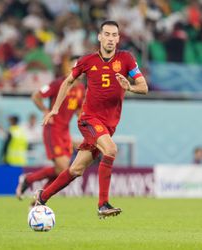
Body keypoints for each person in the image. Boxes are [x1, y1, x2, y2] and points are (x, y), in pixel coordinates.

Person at [34, 20, 148, 219]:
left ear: (118, 38)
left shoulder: (127, 59)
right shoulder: (87, 60)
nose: (111, 39)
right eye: (107, 34)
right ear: (100, 37)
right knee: (111, 150)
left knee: (76, 170)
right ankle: (103, 204)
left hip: (109, 125)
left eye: (114, 35)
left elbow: (144, 87)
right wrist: (54, 109)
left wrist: (129, 87)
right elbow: (68, 81)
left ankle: (42, 197)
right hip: (89, 119)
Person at [16, 56, 85, 203]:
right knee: (64, 168)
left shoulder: (80, 88)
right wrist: (45, 110)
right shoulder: (59, 83)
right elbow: (36, 96)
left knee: (63, 171)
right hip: (52, 129)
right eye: (72, 65)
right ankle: (32, 184)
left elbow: (79, 111)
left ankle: (36, 197)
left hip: (65, 132)